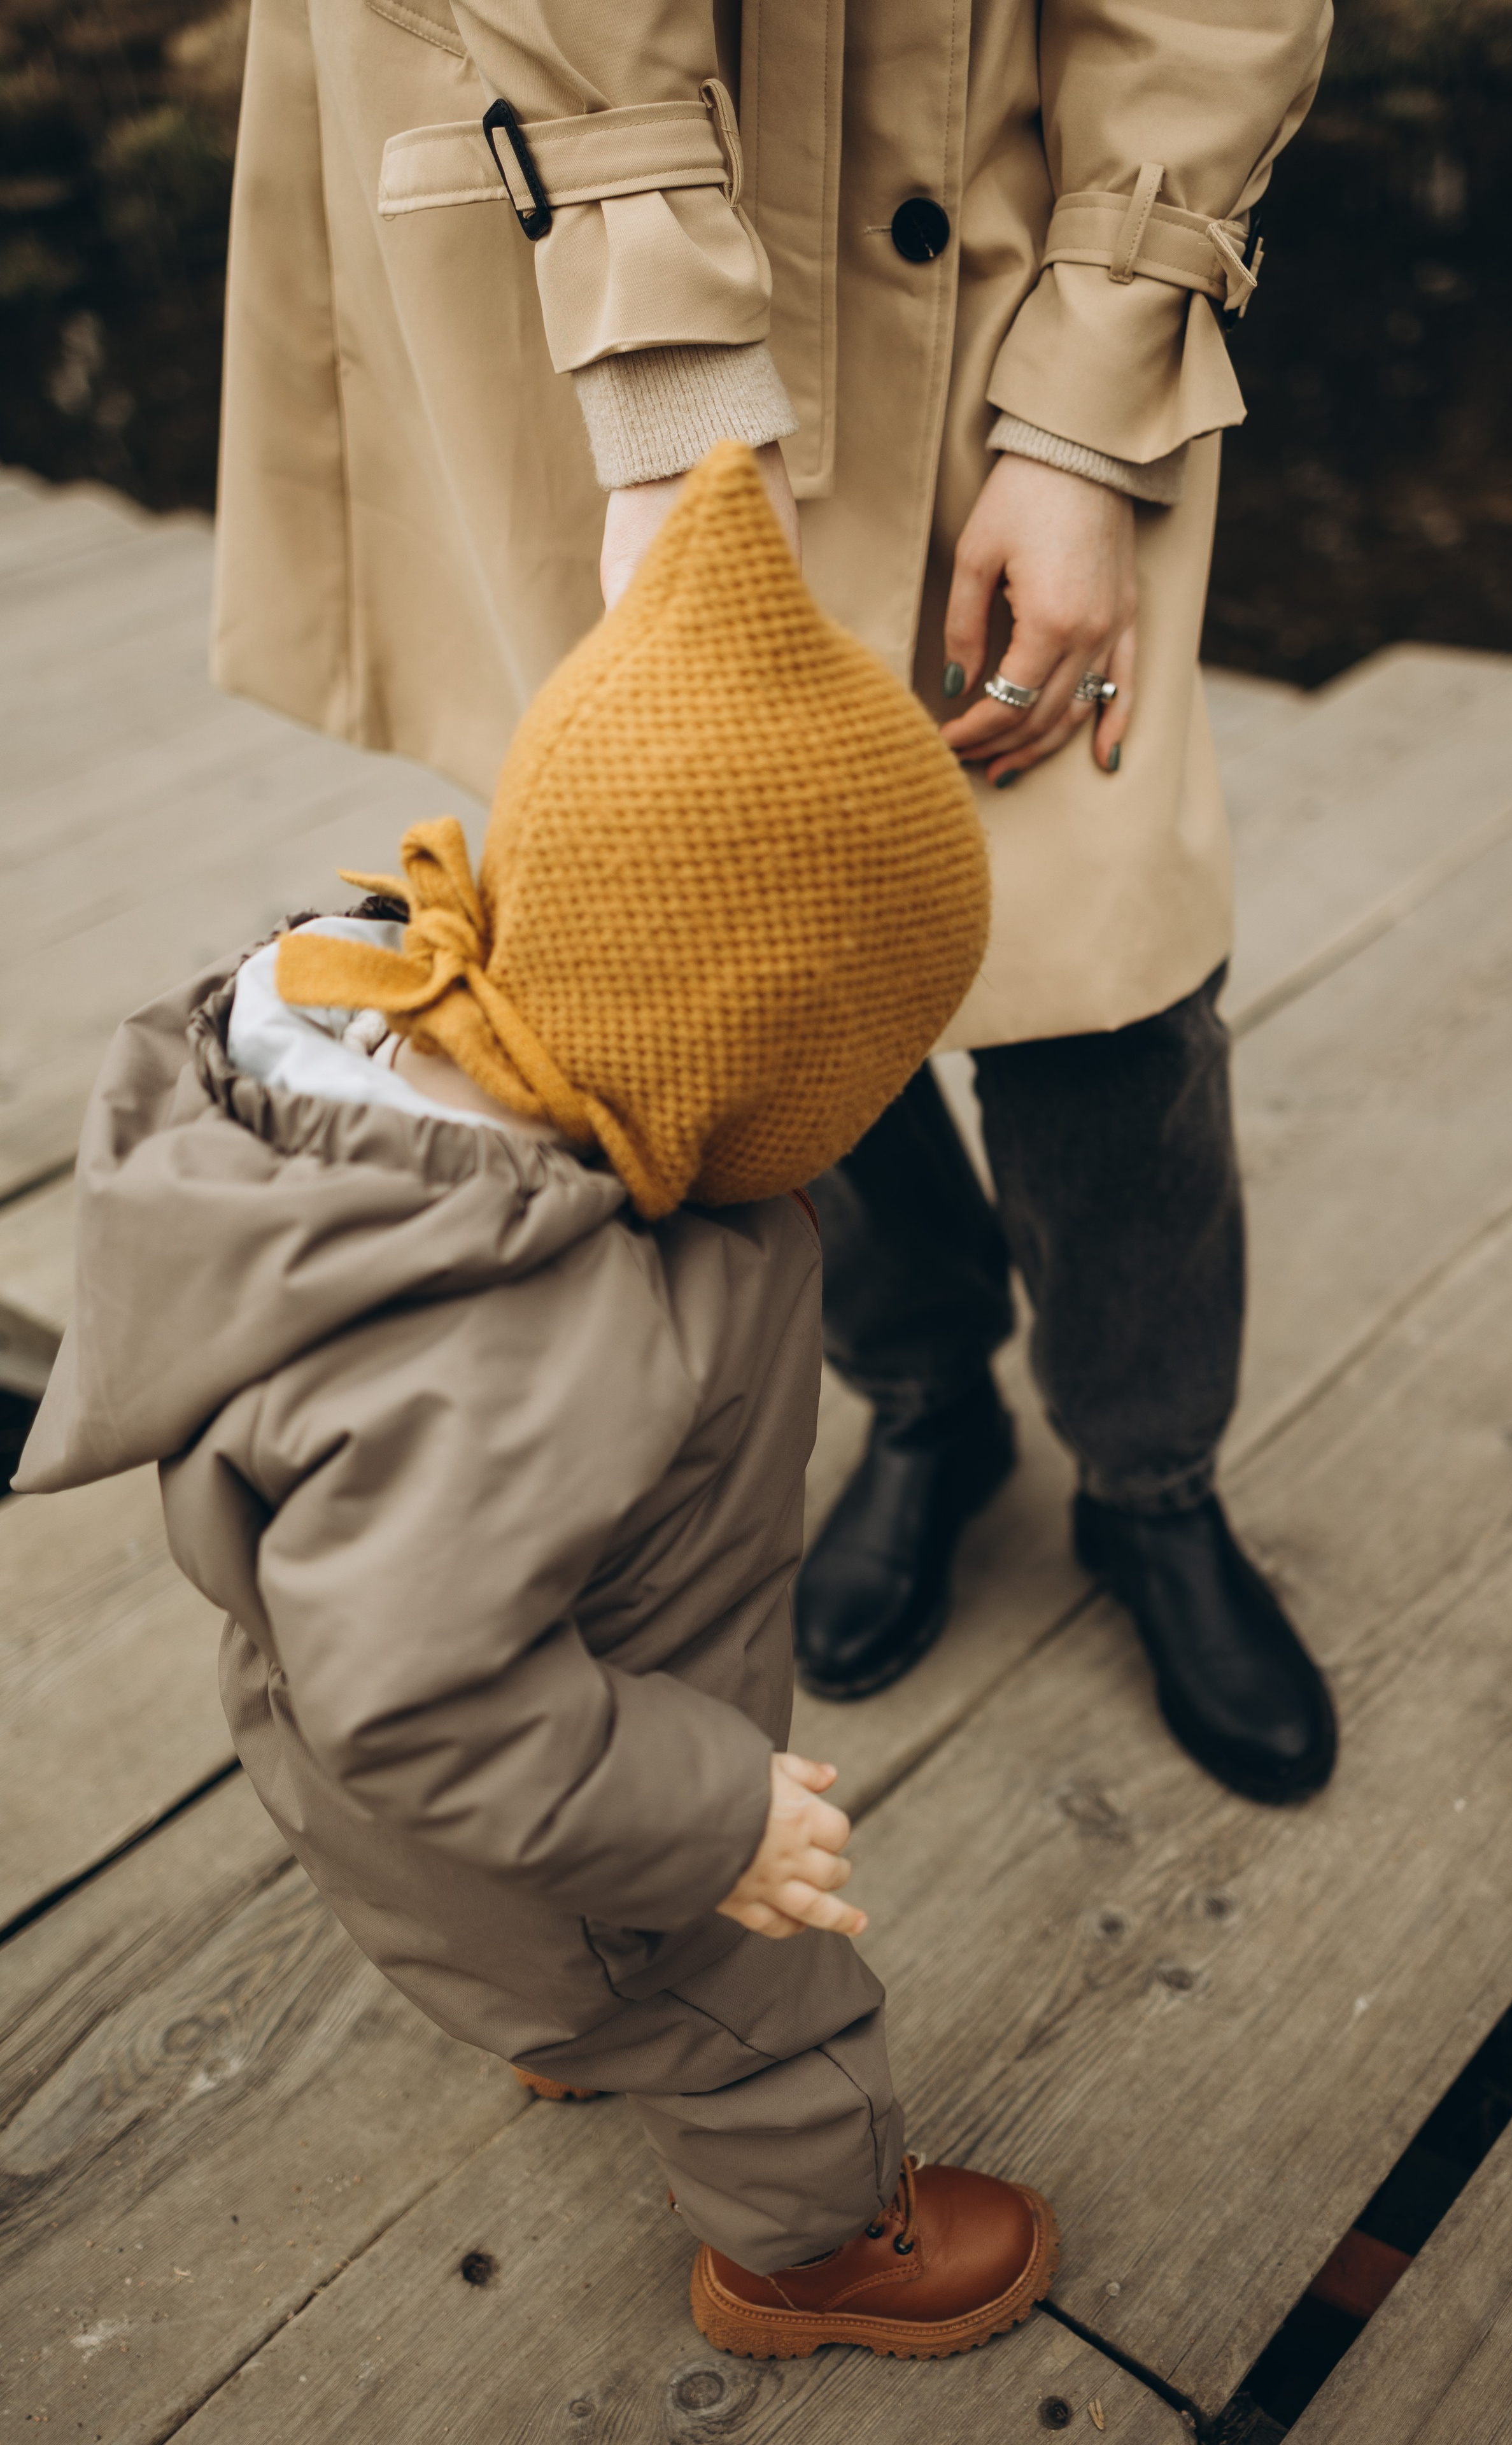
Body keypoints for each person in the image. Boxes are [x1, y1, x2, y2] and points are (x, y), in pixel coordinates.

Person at [210, 0, 1337, 1800]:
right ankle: (923, 1389)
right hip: (560, 197)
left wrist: (1086, 419)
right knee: (727, 938)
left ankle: (1153, 1481)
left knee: (1106, 958)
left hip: (1004, 189)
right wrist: (665, 384)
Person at [14, 450, 1059, 2359]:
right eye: (855, 1071)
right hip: (543, 1767)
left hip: (437, 1743)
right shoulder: (518, 1336)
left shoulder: (393, 1049)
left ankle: (567, 2009)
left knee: (570, 1943)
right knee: (762, 2007)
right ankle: (810, 2251)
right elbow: (427, 1694)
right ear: (742, 1053)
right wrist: (709, 1818)